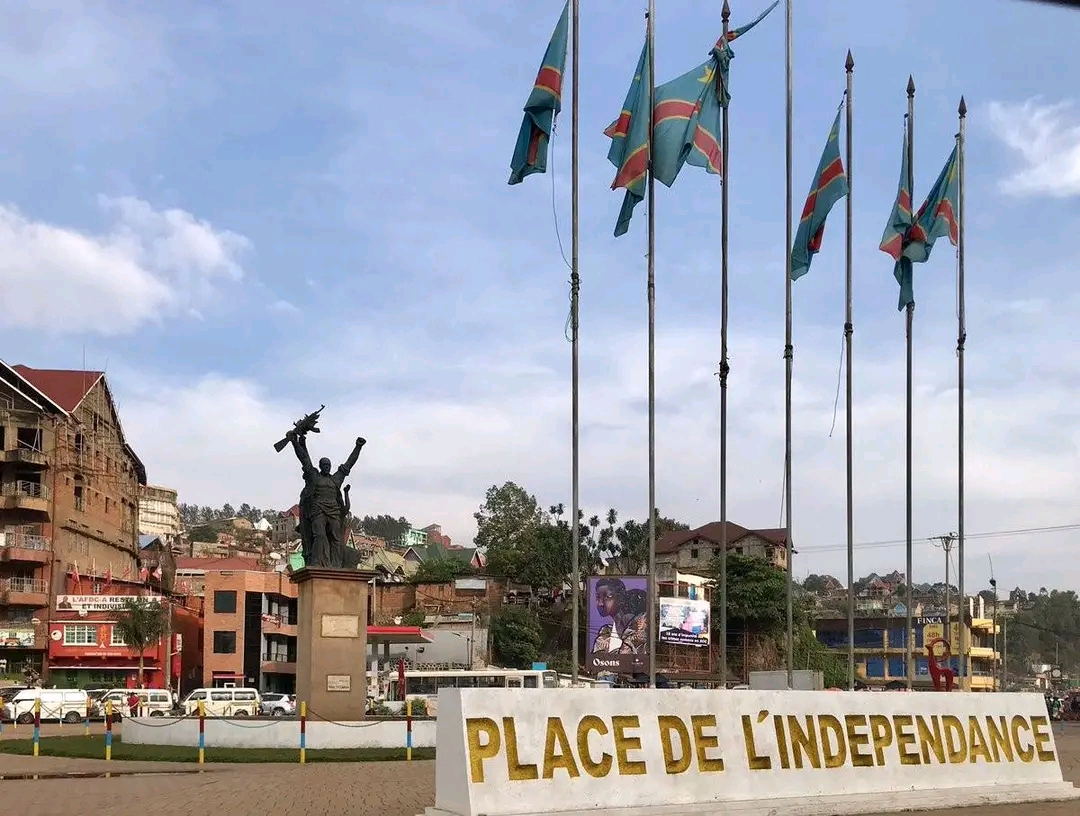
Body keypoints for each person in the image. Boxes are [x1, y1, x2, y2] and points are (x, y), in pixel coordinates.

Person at [591, 579, 648, 655]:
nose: (600, 603)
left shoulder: (638, 627)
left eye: (606, 597)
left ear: (620, 598)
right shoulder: (605, 632)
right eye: (598, 597)